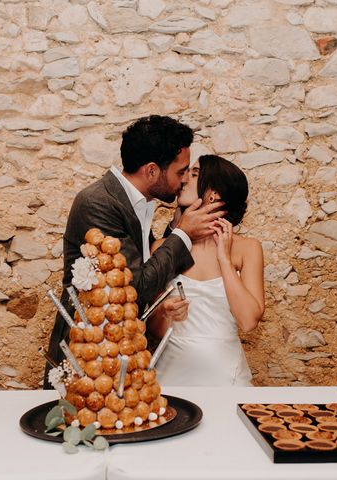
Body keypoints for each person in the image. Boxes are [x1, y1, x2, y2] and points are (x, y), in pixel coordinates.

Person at [44, 116, 225, 387]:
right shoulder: (99, 202)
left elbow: (146, 263)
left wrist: (175, 230)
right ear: (151, 171)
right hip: (89, 358)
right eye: (180, 171)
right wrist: (184, 234)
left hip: (120, 353)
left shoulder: (137, 203)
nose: (185, 179)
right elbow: (135, 285)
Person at [148, 155, 265, 387]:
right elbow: (154, 330)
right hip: (170, 374)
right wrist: (165, 313)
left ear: (213, 194)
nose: (183, 180)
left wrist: (224, 259)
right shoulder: (163, 248)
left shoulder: (248, 249)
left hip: (226, 375)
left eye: (194, 174)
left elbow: (249, 321)